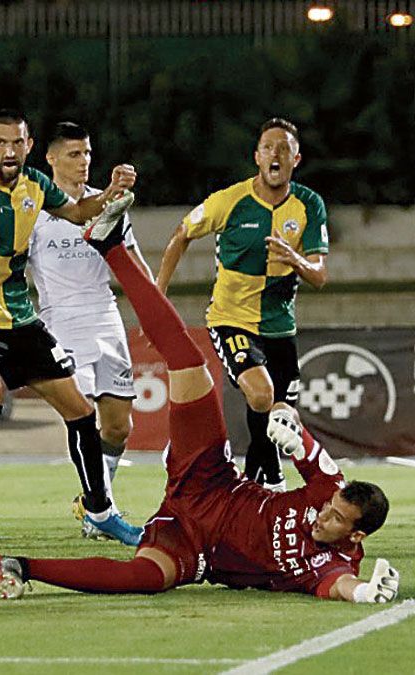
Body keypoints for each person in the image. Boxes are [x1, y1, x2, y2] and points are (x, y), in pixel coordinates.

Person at [0, 215, 398, 604]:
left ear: (356, 535)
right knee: (189, 364)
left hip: (196, 547)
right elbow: (305, 446)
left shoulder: (334, 563)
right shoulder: (331, 487)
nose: (322, 515)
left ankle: (23, 567)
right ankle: (109, 245)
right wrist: (291, 430)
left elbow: (341, 585)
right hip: (211, 480)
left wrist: (364, 593)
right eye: (329, 508)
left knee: (147, 580)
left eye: (336, 519)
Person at [0, 109, 141, 549]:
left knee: (80, 412)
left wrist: (111, 194)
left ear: (28, 146)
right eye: (0, 143)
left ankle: (100, 511)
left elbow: (79, 213)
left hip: (20, 317)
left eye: (16, 143)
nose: (9, 151)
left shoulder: (35, 186)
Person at [156, 118, 329, 491]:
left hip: (280, 327)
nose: (276, 154)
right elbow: (182, 233)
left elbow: (319, 275)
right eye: (268, 147)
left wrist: (294, 258)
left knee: (281, 413)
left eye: (284, 148)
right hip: (231, 319)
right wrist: (158, 291)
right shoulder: (229, 201)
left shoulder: (309, 205)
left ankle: (253, 480)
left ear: (296, 159)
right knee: (261, 393)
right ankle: (274, 482)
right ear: (257, 157)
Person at [28, 122, 154, 538]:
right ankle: (103, 512)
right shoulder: (35, 209)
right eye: (73, 155)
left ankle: (93, 503)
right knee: (81, 415)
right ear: (50, 158)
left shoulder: (109, 204)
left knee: (119, 426)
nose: (82, 162)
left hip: (104, 314)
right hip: (60, 320)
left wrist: (154, 311)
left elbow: (133, 261)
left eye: (86, 154)